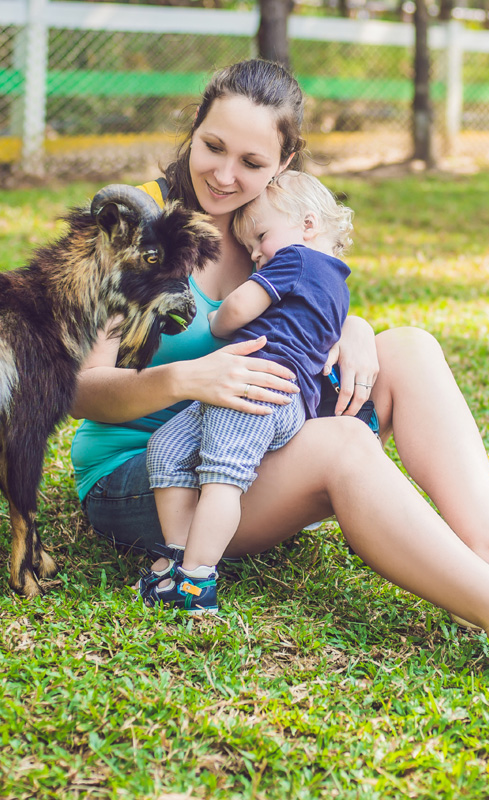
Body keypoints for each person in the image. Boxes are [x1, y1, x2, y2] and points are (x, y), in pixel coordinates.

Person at [70, 59, 489, 698]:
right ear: (193, 130)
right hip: (148, 477)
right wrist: (188, 379)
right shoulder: (133, 228)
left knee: (409, 348)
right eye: (213, 147)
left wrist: (352, 327)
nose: (224, 176)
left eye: (251, 163)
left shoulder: (280, 225)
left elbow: (305, 310)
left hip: (253, 439)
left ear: (284, 164)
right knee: (344, 446)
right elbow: (81, 388)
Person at [140, 170, 355, 614]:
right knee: (165, 447)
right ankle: (178, 557)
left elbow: (235, 309)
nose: (257, 255)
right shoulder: (337, 284)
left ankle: (196, 582)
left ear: (307, 225)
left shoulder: (296, 259)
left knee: (221, 477)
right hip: (258, 390)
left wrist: (213, 322)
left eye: (260, 238)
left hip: (257, 386)